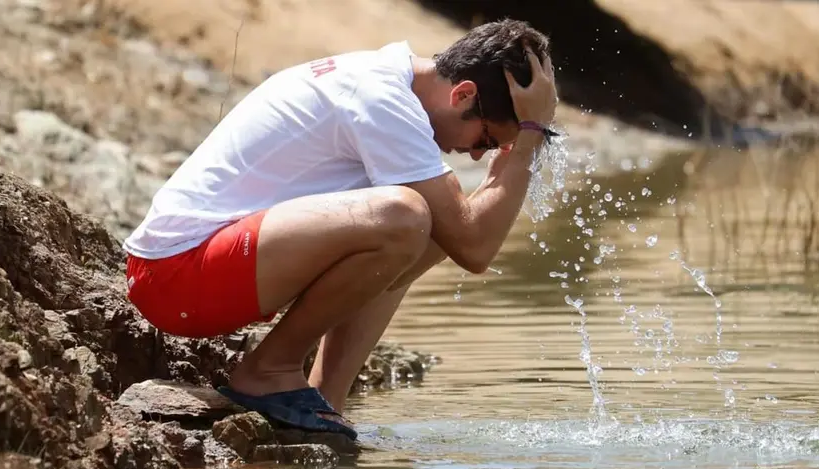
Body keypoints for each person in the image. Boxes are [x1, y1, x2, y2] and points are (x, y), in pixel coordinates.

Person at [122, 18, 559, 441]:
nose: (478, 156)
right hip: (175, 278)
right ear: (463, 95)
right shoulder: (383, 100)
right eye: (484, 139)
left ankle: (324, 400)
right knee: (405, 217)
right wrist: (527, 142)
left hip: (210, 268)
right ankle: (266, 372)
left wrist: (513, 147)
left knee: (427, 224)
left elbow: (461, 232)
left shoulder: (390, 83)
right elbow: (475, 248)